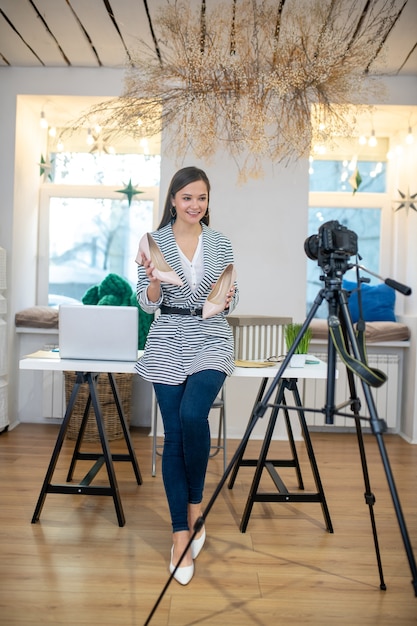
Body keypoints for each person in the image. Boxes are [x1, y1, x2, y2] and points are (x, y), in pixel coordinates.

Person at [135, 166, 239, 585]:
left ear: (207, 202)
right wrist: (155, 285)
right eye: (187, 198)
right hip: (167, 339)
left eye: (202, 198)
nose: (195, 205)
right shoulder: (152, 243)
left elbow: (229, 298)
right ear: (173, 200)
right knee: (176, 434)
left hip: (211, 335)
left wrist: (225, 298)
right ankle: (182, 534)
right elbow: (146, 303)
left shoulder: (221, 243)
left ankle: (195, 507)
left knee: (194, 416)